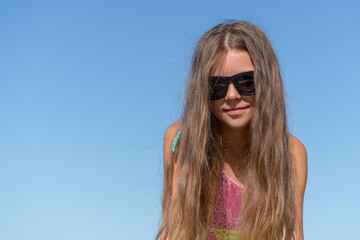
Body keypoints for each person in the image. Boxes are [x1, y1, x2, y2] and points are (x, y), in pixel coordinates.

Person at [156, 20, 307, 240]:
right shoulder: (181, 140)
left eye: (247, 82)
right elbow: (172, 229)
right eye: (217, 85)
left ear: (267, 82)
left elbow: (294, 233)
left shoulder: (291, 152)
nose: (232, 95)